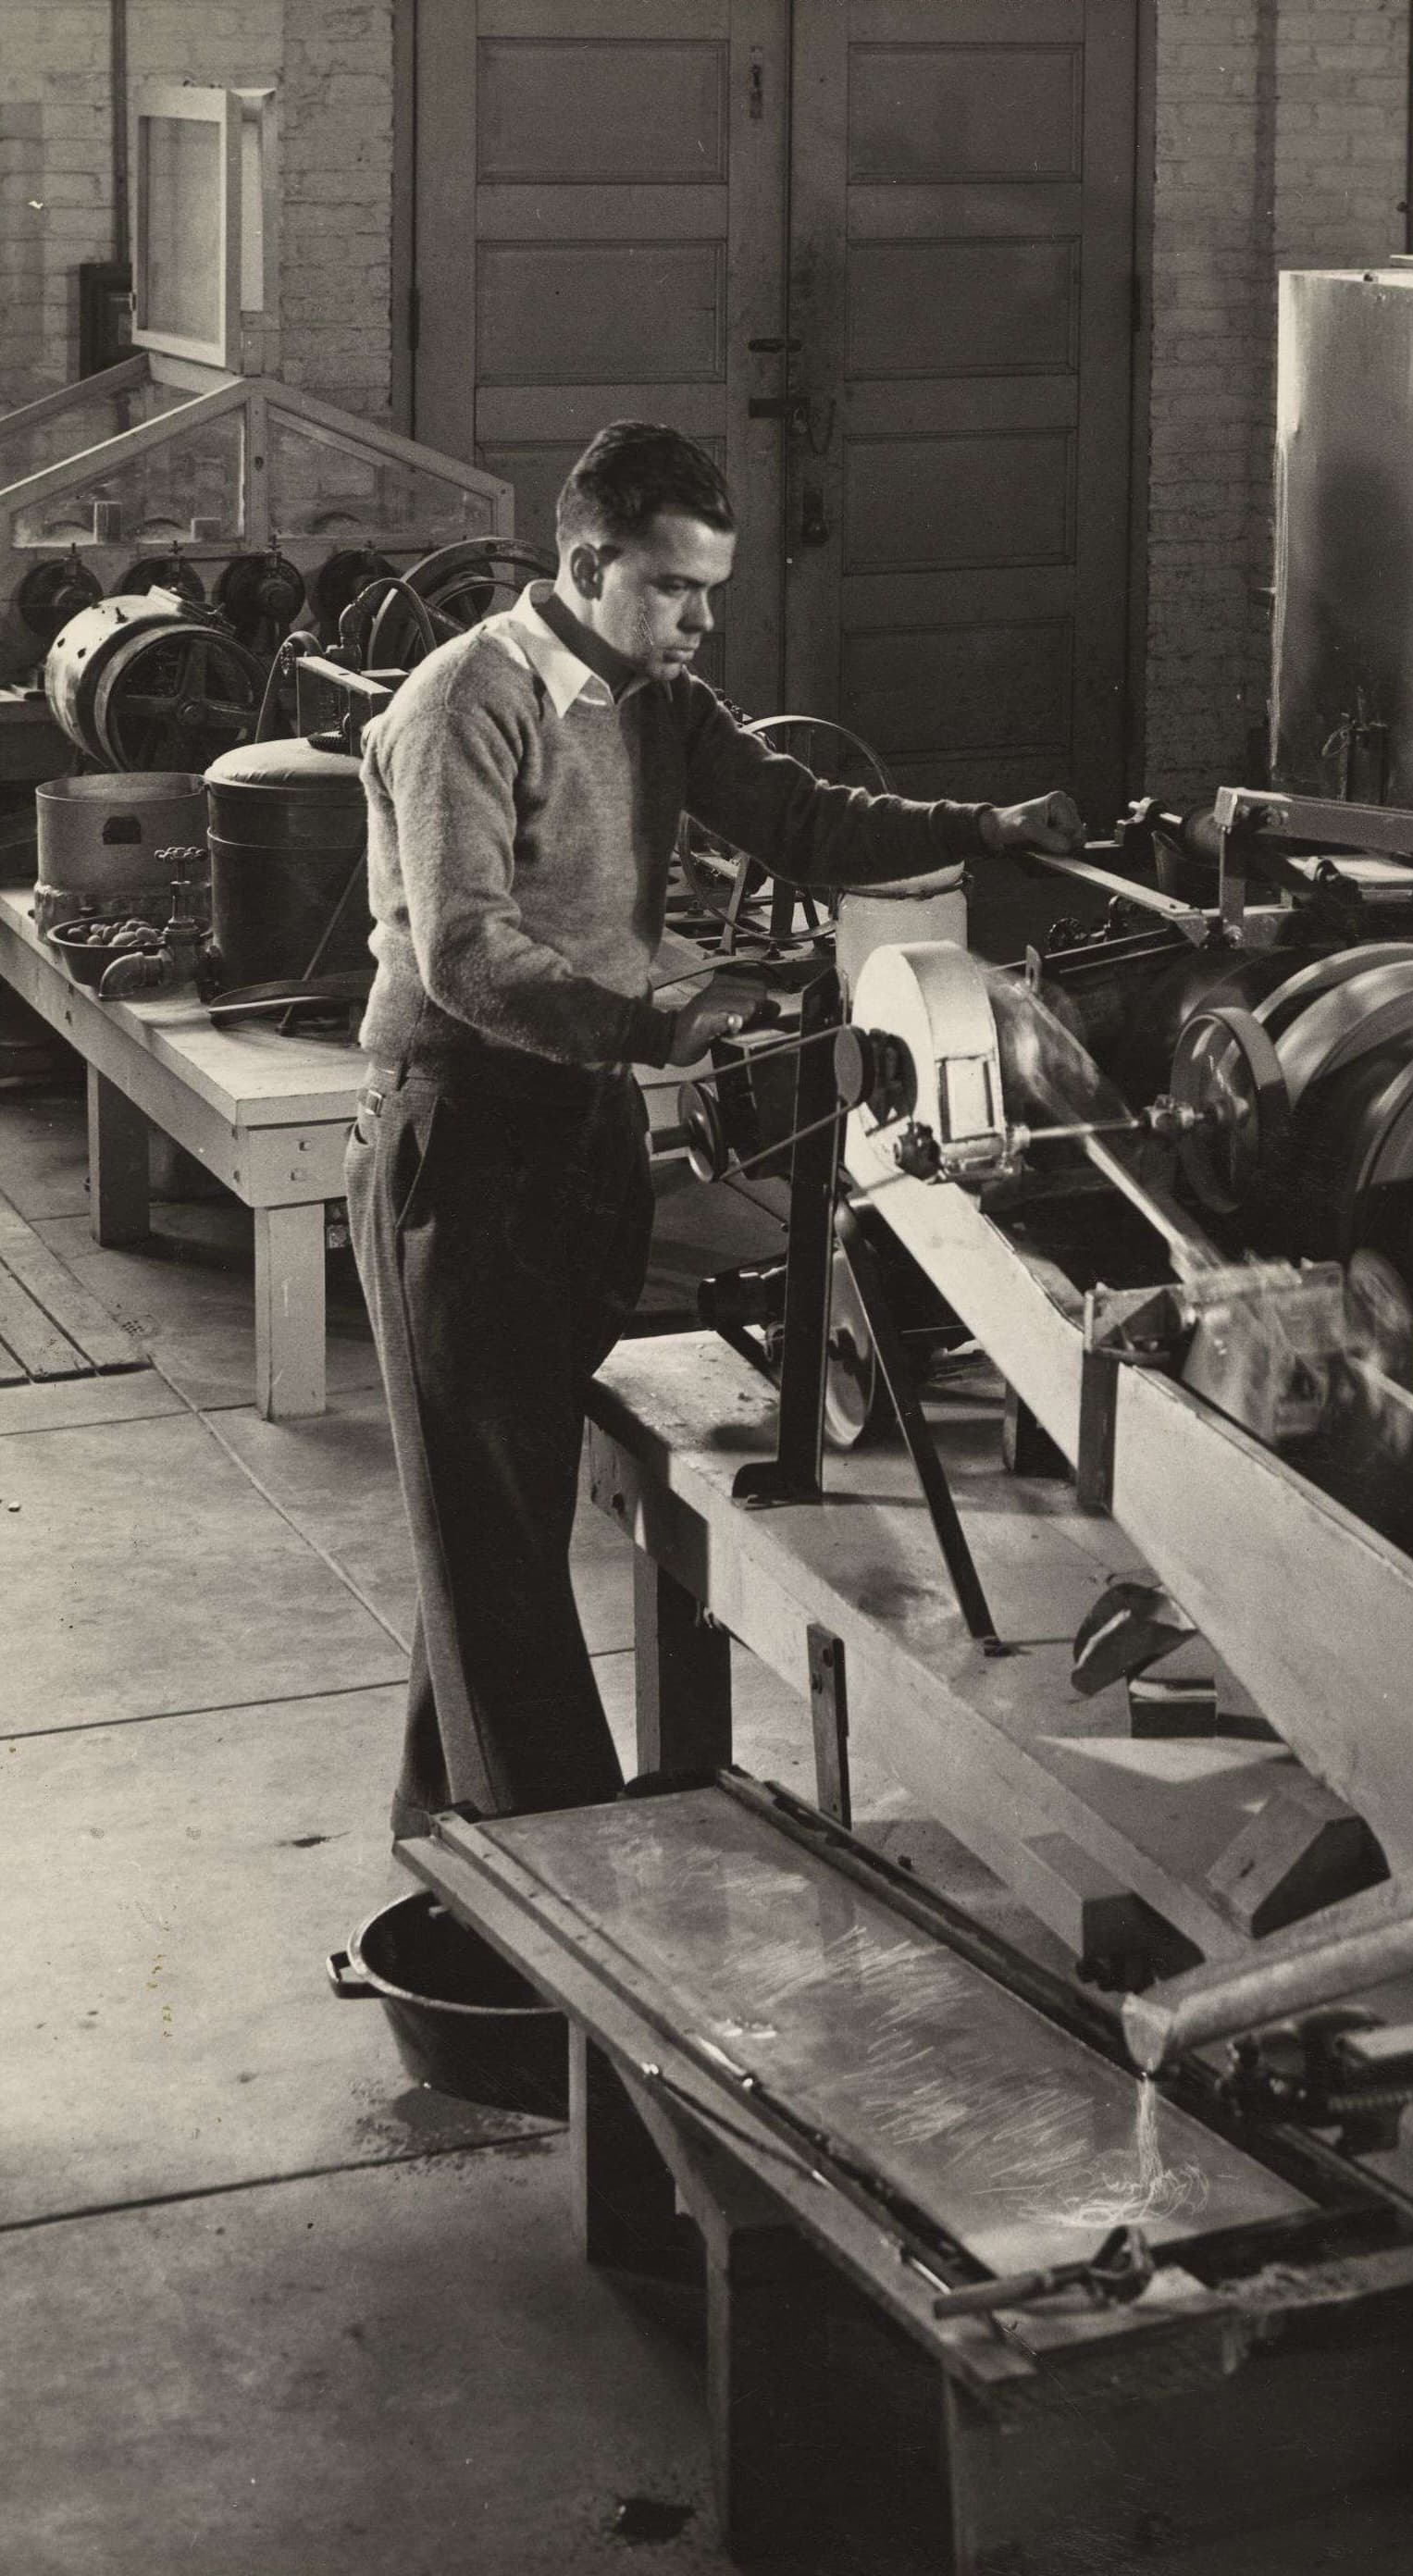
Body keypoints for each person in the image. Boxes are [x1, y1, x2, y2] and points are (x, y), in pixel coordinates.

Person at [347, 418, 1083, 1837]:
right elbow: (463, 955)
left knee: (488, 1521)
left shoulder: (656, 702)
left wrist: (983, 829)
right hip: (465, 1138)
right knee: (493, 1538)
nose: (701, 620)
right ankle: (569, 1875)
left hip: (578, 1134)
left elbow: (799, 817)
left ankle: (448, 1841)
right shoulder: (466, 703)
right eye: (677, 589)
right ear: (587, 562)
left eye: (712, 592)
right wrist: (655, 1023)